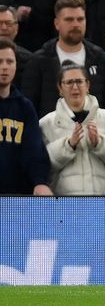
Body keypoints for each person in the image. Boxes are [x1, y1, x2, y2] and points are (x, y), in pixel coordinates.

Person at [40, 61, 105, 195]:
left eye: (79, 81)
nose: (75, 87)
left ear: (88, 85)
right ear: (60, 88)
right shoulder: (46, 124)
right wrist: (68, 145)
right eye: (69, 82)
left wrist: (100, 143)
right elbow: (38, 163)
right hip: (64, 207)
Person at [0, 38, 53, 195]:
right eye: (0, 61)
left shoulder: (24, 107)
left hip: (16, 197)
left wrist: (40, 182)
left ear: (16, 66)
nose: (4, 67)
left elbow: (34, 150)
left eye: (10, 62)